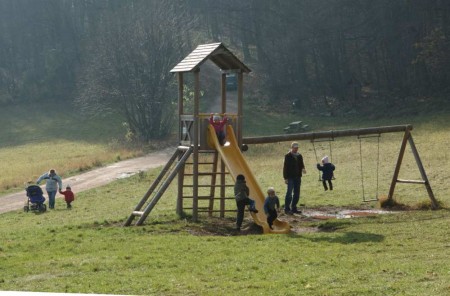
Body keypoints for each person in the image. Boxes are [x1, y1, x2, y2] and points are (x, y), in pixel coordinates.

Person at [283, 142, 306, 214]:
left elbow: (301, 164)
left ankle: (294, 207)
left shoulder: (299, 156)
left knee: (297, 193)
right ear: (292, 148)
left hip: (298, 176)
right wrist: (285, 178)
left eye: (297, 148)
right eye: (295, 148)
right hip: (290, 177)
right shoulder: (287, 156)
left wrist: (303, 168)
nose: (296, 149)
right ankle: (287, 209)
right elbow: (285, 167)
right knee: (289, 193)